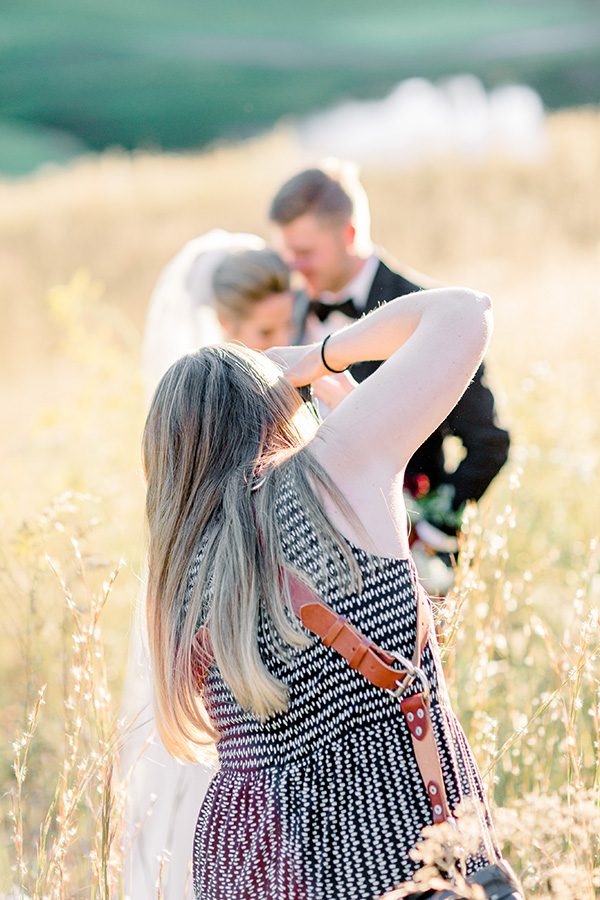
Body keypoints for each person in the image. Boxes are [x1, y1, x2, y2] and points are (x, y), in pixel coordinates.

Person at [142, 286, 521, 898]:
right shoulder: (326, 483)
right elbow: (466, 310)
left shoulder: (180, 567)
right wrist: (317, 358)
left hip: (249, 855)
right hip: (385, 832)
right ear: (273, 410)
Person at [122, 232, 296, 900]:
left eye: (288, 321)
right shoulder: (194, 403)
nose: (283, 339)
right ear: (225, 326)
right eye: (265, 330)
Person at [269, 166, 510, 593]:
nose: (295, 267)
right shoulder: (288, 307)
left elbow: (489, 442)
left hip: (404, 554)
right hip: (308, 557)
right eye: (287, 254)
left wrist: (431, 533)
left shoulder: (429, 314)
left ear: (348, 234)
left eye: (305, 252)